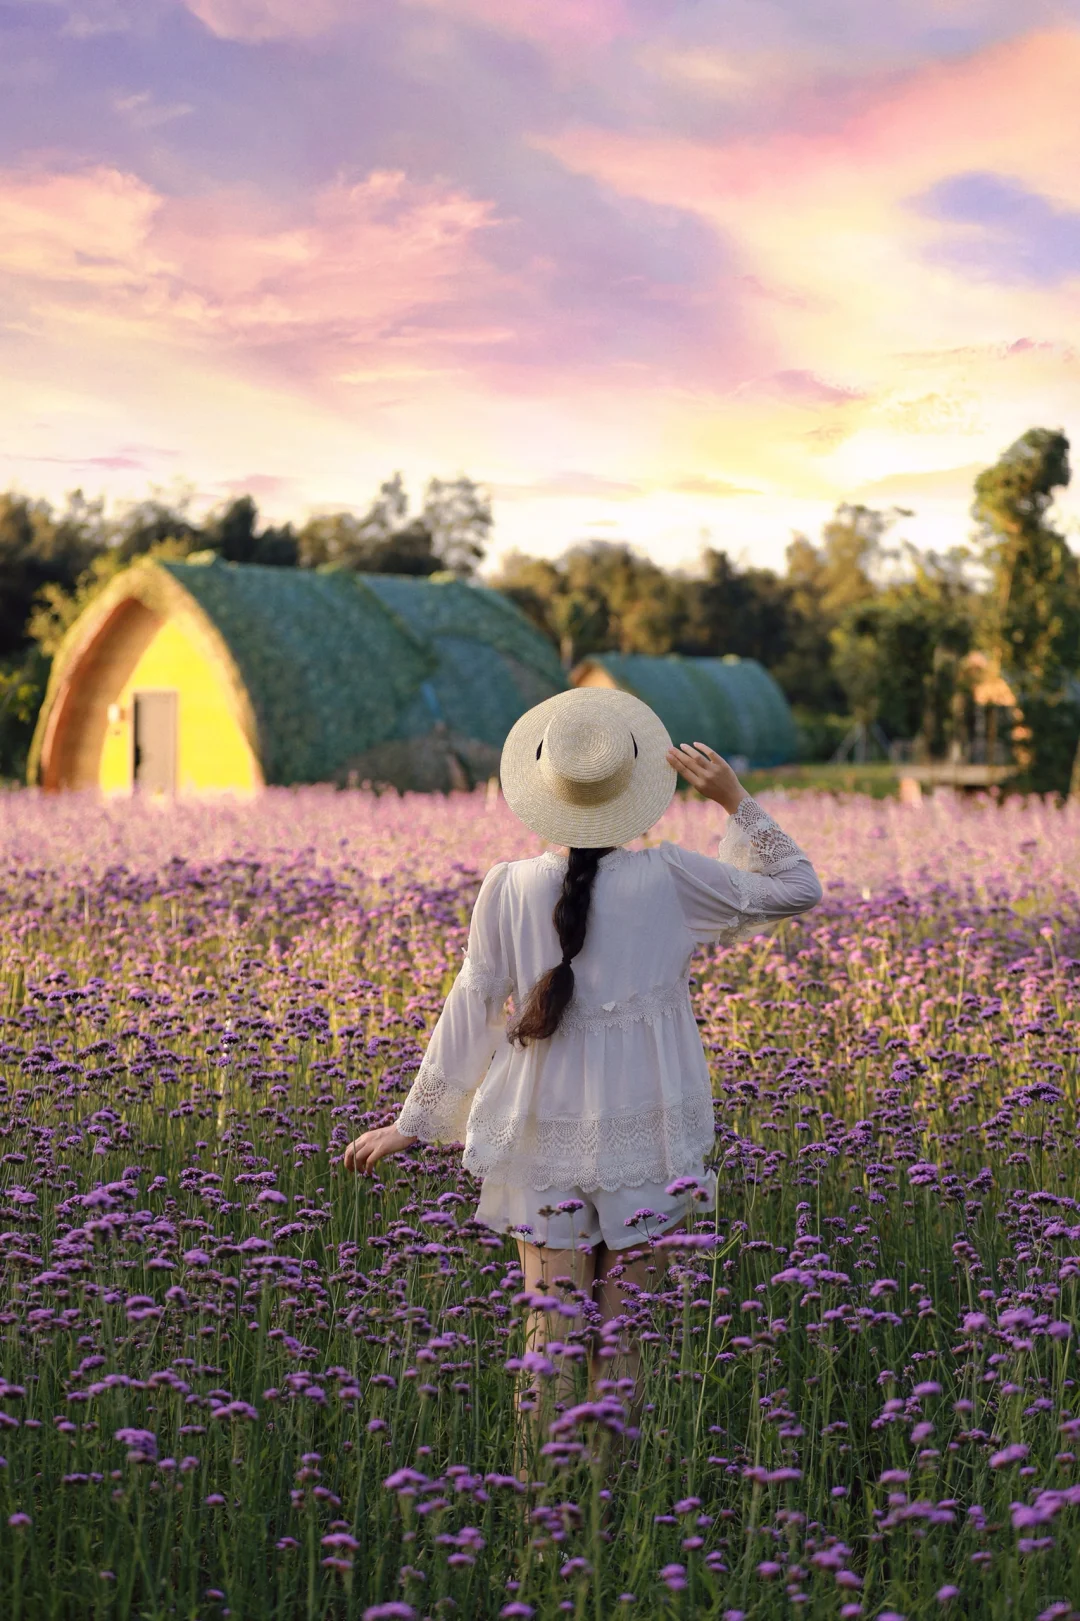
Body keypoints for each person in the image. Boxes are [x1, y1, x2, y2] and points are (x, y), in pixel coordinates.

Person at [343, 688, 822, 1448]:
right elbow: (798, 887)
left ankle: (542, 1525)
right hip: (648, 1129)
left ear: (545, 792)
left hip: (540, 1135)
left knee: (551, 1334)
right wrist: (733, 800)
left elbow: (470, 1005)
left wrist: (414, 1123)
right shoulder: (670, 876)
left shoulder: (506, 885)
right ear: (635, 791)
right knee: (622, 1341)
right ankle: (607, 1518)